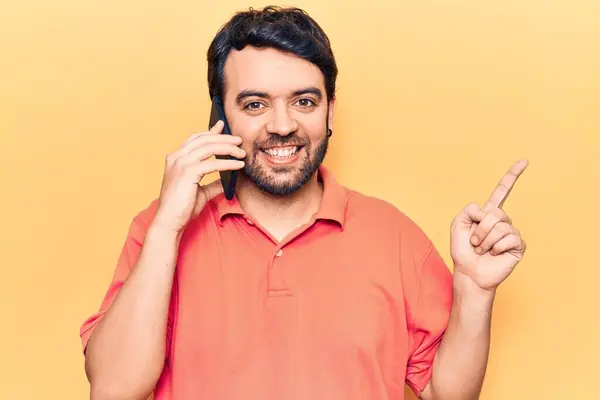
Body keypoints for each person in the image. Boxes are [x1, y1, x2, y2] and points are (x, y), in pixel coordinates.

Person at [80, 6, 528, 400]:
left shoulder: (392, 234)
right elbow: (114, 390)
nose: (282, 125)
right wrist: (166, 230)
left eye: (304, 101)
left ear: (330, 110)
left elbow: (445, 393)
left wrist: (474, 290)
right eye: (255, 104)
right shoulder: (160, 231)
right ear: (220, 116)